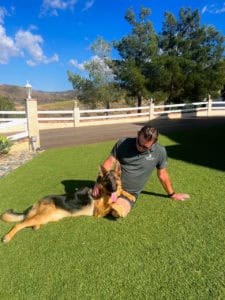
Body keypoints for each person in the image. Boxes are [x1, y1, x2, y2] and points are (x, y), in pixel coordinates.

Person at [93, 125, 190, 217]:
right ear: (138, 134)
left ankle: (107, 203)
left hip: (129, 193)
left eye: (145, 147)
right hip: (111, 187)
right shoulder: (123, 143)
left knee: (118, 212)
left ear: (154, 143)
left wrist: (172, 194)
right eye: (139, 143)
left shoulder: (160, 152)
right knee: (94, 202)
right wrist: (97, 183)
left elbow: (162, 175)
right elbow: (108, 163)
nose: (140, 148)